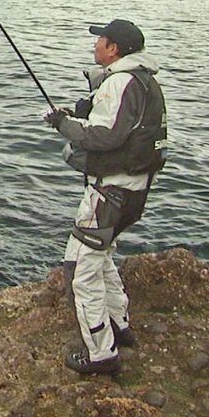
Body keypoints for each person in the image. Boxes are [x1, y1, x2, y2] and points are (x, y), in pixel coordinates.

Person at [43, 19, 167, 374]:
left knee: (81, 270)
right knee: (101, 254)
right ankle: (119, 323)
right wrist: (77, 112)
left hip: (109, 193)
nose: (95, 44)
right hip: (134, 191)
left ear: (114, 49)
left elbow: (103, 137)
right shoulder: (144, 80)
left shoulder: (120, 81)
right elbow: (120, 122)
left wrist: (62, 125)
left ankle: (101, 354)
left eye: (101, 40)